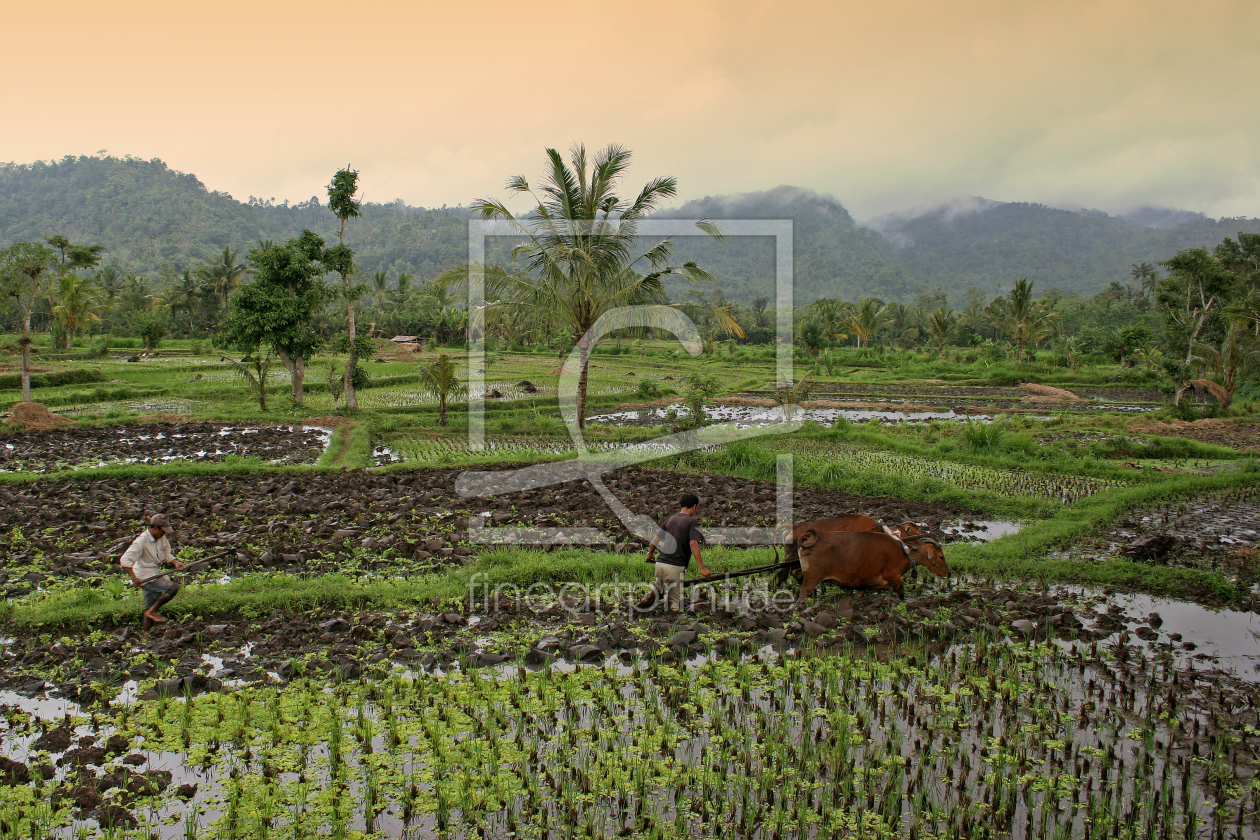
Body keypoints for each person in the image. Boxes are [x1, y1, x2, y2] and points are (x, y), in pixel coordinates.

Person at [640, 493, 711, 614]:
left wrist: (650, 555)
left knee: (659, 591)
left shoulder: (670, 519)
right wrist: (702, 568)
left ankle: (646, 605)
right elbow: (693, 543)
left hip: (660, 564)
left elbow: (655, 540)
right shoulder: (691, 521)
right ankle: (671, 622)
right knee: (674, 605)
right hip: (675, 567)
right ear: (694, 507)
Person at [120, 514, 186, 628]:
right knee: (173, 587)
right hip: (145, 576)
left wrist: (175, 562)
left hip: (155, 572)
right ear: (156, 528)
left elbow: (166, 553)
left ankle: (146, 634)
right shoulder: (141, 541)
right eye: (162, 531)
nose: (164, 534)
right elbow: (125, 560)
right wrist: (134, 579)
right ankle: (152, 612)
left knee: (150, 606)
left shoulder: (161, 538)